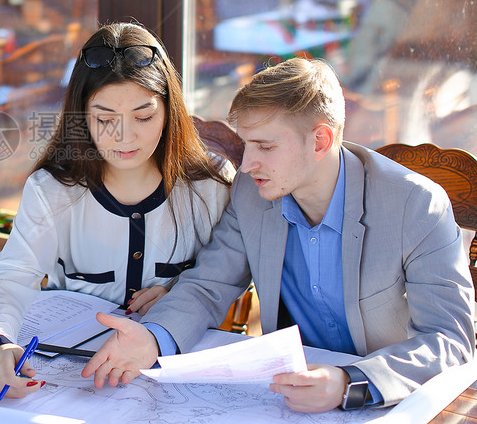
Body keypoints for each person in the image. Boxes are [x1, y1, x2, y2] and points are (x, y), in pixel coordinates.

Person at [82, 57, 475, 412]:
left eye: (265, 147)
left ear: (320, 140)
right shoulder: (252, 193)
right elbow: (208, 285)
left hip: (390, 402)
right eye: (246, 145)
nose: (248, 165)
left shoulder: (416, 205)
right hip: (286, 399)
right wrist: (153, 340)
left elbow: (450, 338)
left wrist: (349, 383)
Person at [0, 22, 235, 399]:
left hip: (176, 382)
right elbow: (11, 277)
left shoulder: (211, 184)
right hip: (72, 383)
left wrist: (179, 297)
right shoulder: (53, 190)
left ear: (169, 112)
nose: (124, 136)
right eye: (105, 118)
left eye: (144, 117)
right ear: (81, 117)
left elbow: (233, 277)